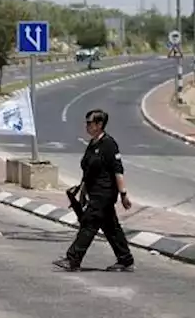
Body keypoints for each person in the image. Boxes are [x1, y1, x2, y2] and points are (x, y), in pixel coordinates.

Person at [53, 109, 135, 271]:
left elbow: (118, 170)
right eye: (87, 123)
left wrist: (123, 194)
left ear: (99, 125)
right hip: (93, 192)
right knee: (111, 227)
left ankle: (73, 259)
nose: (87, 126)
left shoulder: (109, 144)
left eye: (90, 123)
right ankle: (125, 258)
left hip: (104, 193)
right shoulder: (93, 143)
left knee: (89, 224)